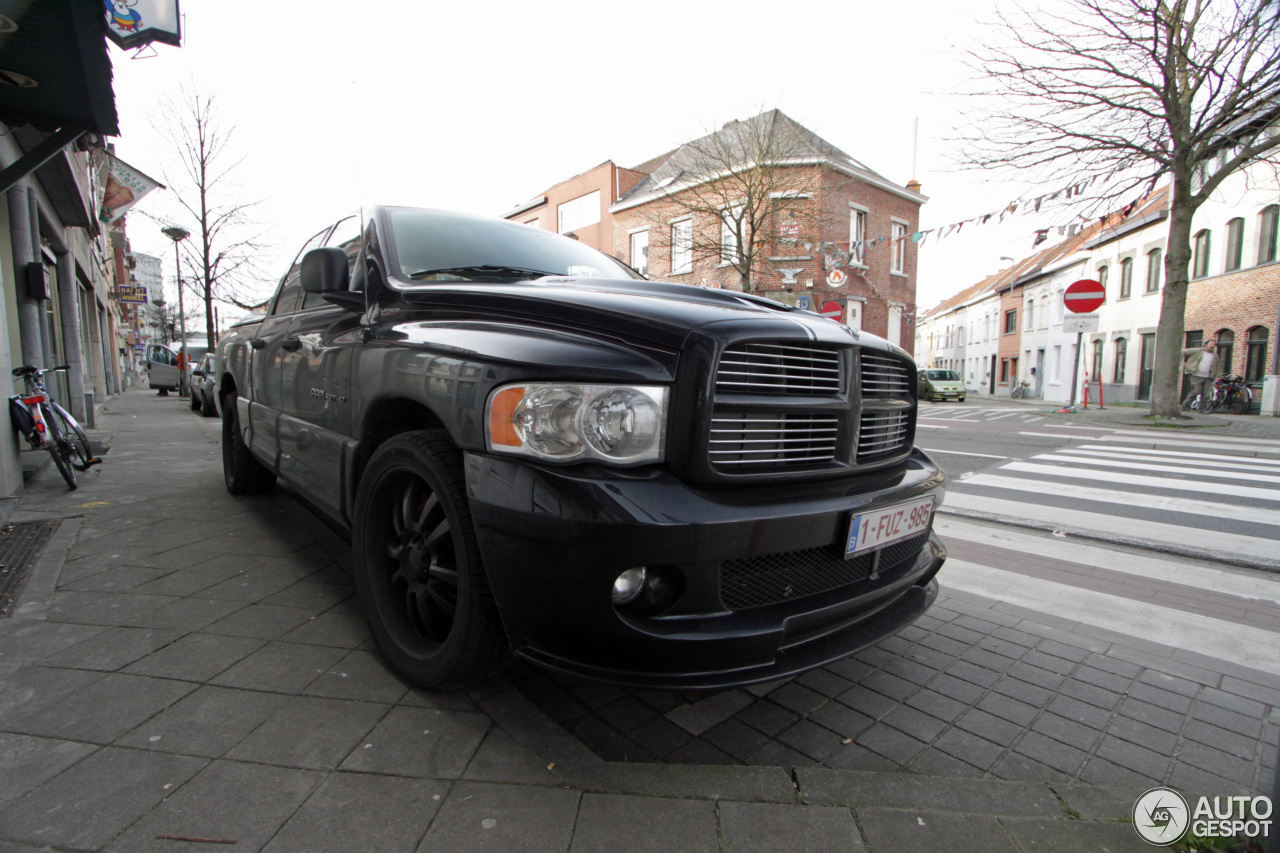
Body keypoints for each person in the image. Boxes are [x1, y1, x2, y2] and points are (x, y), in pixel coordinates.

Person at [1182, 339, 1217, 411]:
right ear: (1206, 344)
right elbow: (1182, 352)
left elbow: (1217, 366)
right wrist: (1184, 363)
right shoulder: (1198, 351)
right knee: (1196, 391)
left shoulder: (1215, 355)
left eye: (1214, 344)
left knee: (1206, 394)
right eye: (1211, 344)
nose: (1212, 346)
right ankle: (1185, 405)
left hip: (1208, 376)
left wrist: (1216, 376)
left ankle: (1202, 409)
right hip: (1196, 375)